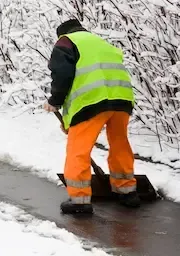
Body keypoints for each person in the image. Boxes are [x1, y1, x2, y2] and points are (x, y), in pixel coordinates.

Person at [43, 19, 140, 214]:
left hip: (91, 102)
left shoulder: (66, 41)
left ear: (62, 33)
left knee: (78, 149)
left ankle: (80, 200)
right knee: (119, 143)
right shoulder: (102, 43)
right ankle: (127, 191)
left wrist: (55, 101)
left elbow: (62, 73)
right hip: (121, 99)